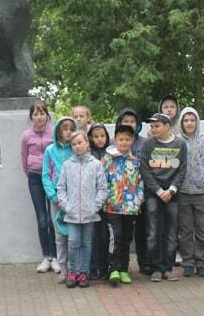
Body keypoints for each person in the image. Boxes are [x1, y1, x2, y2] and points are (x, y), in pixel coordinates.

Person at [139, 113, 188, 282]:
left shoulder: (180, 144)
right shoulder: (148, 144)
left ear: (167, 126)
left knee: (171, 232)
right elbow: (144, 170)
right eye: (152, 127)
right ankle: (156, 268)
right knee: (153, 231)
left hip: (172, 195)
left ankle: (168, 268)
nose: (153, 129)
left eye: (157, 126)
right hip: (153, 193)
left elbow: (182, 170)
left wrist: (172, 190)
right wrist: (159, 191)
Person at [57, 131, 107, 288]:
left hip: (89, 214)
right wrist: (66, 206)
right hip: (71, 214)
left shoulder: (96, 165)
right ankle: (73, 272)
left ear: (87, 143)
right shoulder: (67, 165)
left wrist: (96, 206)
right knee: (73, 242)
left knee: (86, 242)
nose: (77, 146)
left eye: (80, 143)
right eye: (74, 144)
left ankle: (84, 272)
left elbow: (103, 188)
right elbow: (61, 188)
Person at [176, 107, 204, 277]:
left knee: (202, 230)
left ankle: (202, 263)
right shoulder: (176, 141)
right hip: (183, 192)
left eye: (192, 120)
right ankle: (187, 262)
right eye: (186, 120)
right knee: (185, 231)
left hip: (201, 192)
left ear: (197, 121)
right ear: (181, 123)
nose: (189, 123)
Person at [103, 125, 143, 285]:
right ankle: (113, 269)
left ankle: (124, 269)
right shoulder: (107, 160)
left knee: (127, 238)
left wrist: (139, 199)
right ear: (115, 139)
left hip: (131, 207)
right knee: (116, 236)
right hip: (112, 207)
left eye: (127, 139)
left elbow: (140, 182)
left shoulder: (135, 161)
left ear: (132, 141)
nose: (124, 142)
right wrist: (105, 199)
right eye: (121, 139)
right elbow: (102, 181)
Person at [20, 100, 57, 273]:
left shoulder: (54, 132)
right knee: (42, 218)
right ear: (31, 117)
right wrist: (31, 170)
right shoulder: (27, 135)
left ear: (47, 115)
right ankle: (46, 256)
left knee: (53, 219)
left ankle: (56, 257)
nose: (39, 117)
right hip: (35, 178)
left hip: (52, 178)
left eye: (42, 113)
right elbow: (24, 156)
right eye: (36, 114)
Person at [41, 116, 77, 283]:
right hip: (57, 199)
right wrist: (53, 195)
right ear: (58, 131)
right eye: (65, 129)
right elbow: (46, 176)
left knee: (74, 235)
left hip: (75, 199)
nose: (68, 132)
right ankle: (63, 268)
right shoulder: (50, 150)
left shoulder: (76, 148)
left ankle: (75, 268)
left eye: (71, 129)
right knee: (60, 235)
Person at [115, 108, 149, 275]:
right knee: (122, 234)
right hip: (120, 198)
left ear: (138, 124)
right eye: (125, 121)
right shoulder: (115, 145)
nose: (129, 124)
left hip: (140, 193)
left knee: (142, 230)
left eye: (132, 121)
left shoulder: (145, 143)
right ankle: (120, 266)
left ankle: (144, 262)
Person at [87, 123, 110, 279]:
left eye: (102, 136)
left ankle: (106, 265)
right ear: (90, 138)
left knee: (106, 234)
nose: (100, 139)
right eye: (96, 136)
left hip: (109, 201)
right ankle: (94, 266)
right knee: (93, 234)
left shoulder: (112, 153)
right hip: (92, 201)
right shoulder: (88, 155)